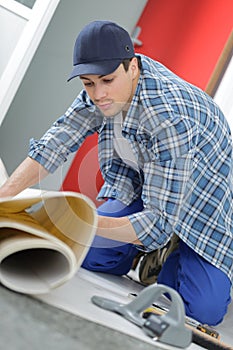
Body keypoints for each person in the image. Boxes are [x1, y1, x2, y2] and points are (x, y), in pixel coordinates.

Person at [0, 20, 232, 326]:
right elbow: (52, 146)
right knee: (91, 256)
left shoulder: (169, 117)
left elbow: (158, 224)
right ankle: (141, 253)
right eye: (88, 83)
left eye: (107, 80)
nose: (98, 94)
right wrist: (4, 198)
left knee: (201, 309)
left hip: (201, 200)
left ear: (132, 68)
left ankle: (168, 253)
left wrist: (79, 220)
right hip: (141, 183)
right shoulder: (99, 90)